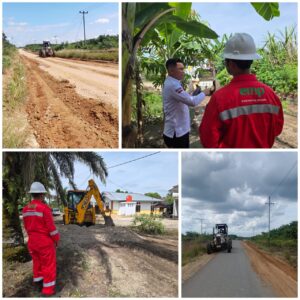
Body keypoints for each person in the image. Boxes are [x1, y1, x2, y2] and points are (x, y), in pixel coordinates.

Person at [199, 33, 284, 148]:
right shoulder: (270, 94)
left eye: (226, 62)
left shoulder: (220, 98)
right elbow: (277, 129)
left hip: (231, 160)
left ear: (231, 64)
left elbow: (208, 138)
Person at [22, 182, 60, 296]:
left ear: (32, 194)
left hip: (32, 242)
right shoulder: (44, 209)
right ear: (42, 194)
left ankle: (38, 283)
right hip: (44, 243)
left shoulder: (25, 209)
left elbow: (26, 226)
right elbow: (51, 229)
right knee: (48, 265)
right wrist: (56, 239)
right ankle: (48, 291)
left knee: (37, 263)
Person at [163, 58, 207, 148]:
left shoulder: (174, 82)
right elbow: (193, 102)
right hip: (177, 134)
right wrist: (205, 92)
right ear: (171, 71)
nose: (184, 72)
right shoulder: (173, 85)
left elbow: (185, 98)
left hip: (179, 131)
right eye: (181, 69)